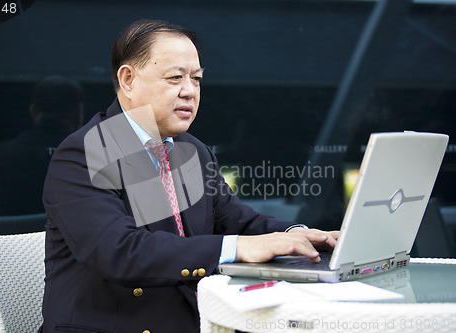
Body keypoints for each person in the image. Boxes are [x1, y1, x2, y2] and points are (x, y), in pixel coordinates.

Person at [41, 19, 339, 333]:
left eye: (196, 78)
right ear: (128, 80)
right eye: (175, 78)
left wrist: (299, 235)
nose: (190, 91)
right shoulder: (87, 151)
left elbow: (240, 221)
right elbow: (121, 251)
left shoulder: (192, 151)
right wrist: (237, 247)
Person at [0, 75, 84, 215]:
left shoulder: (3, 154)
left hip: (11, 236)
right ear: (78, 113)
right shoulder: (89, 157)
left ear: (33, 111)